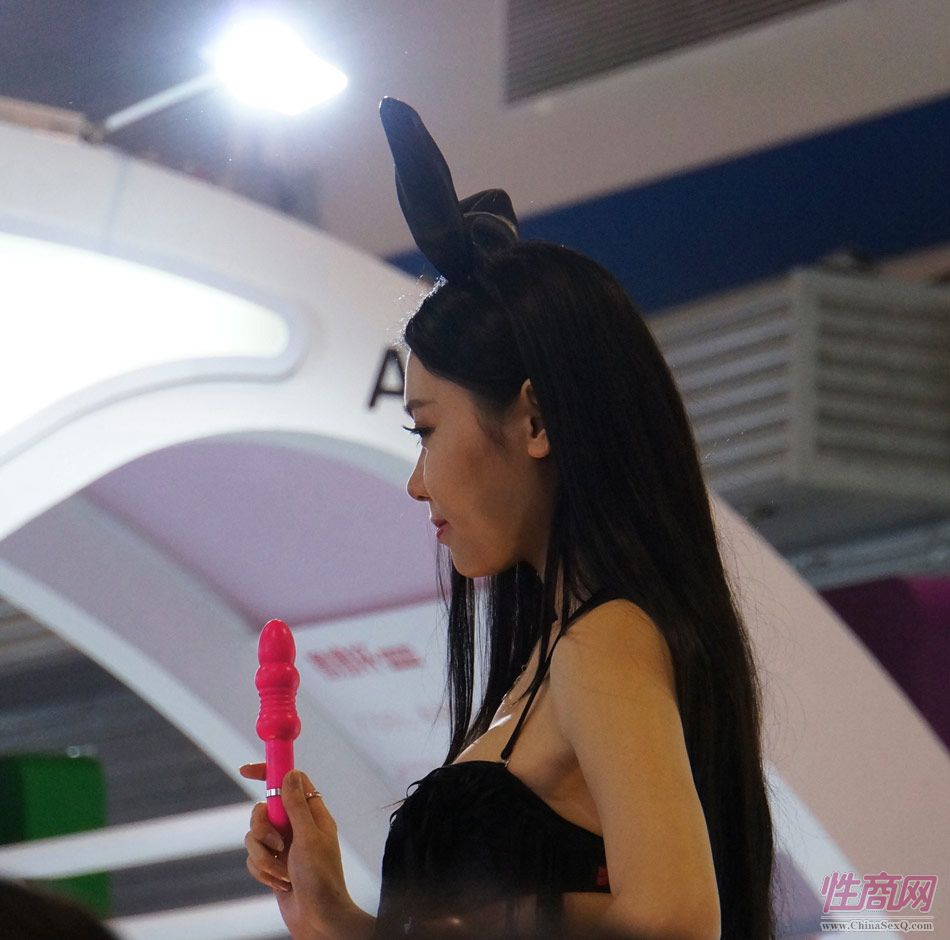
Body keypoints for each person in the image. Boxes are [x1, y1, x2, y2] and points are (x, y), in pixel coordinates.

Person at [242, 97, 775, 940]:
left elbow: (676, 920)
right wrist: (334, 915)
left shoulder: (603, 643)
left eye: (425, 431)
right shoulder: (563, 653)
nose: (417, 484)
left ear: (534, 419)